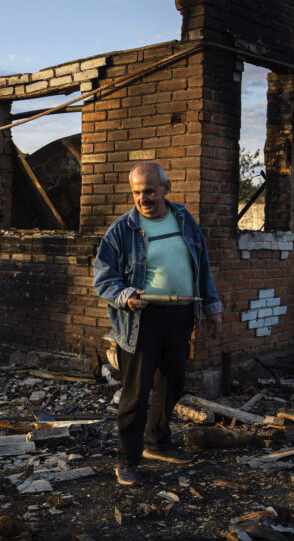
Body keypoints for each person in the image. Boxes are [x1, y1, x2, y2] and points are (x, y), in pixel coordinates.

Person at [93, 161, 222, 486]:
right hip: (141, 320)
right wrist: (126, 296)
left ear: (166, 189)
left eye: (149, 191)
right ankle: (127, 460)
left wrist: (213, 306)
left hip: (179, 317)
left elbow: (201, 263)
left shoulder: (184, 220)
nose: (143, 198)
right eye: (137, 192)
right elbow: (102, 281)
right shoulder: (121, 230)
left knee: (174, 382)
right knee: (136, 394)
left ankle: (157, 442)